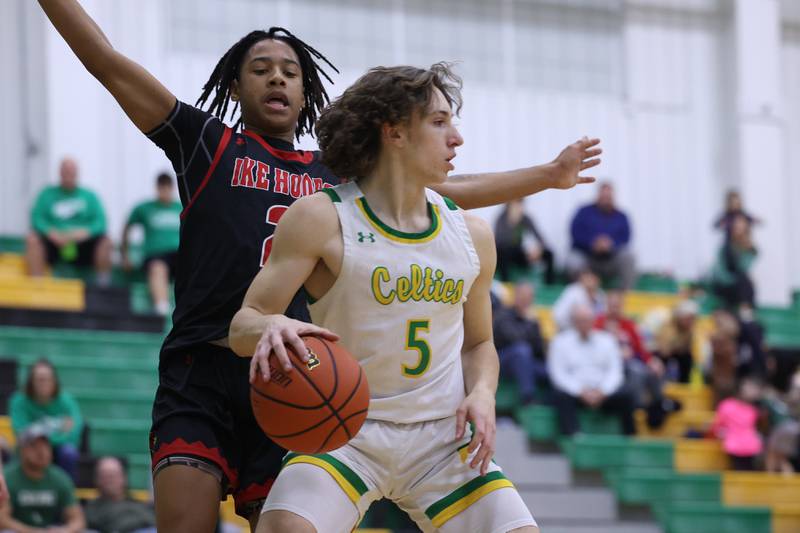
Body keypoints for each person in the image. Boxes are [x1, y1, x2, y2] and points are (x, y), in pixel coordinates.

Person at [39, 1, 600, 530]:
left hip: (296, 372)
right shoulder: (206, 144)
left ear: (307, 88)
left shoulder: (339, 179)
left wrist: (546, 175)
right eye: (260, 69)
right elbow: (108, 63)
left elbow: (444, 188)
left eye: (289, 71)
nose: (277, 78)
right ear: (235, 85)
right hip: (205, 363)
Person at [229, 64, 538, 533]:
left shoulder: (472, 234)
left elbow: (479, 345)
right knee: (283, 529)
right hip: (346, 430)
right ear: (393, 132)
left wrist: (482, 392)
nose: (456, 138)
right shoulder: (321, 218)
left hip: (443, 437)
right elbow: (241, 327)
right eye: (439, 122)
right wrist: (270, 325)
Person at [548, 304, 636, 436]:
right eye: (581, 320)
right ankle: (574, 436)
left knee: (628, 395)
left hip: (603, 393)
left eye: (587, 320)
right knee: (561, 396)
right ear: (573, 321)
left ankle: (630, 437)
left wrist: (603, 391)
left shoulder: (607, 340)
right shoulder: (560, 342)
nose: (584, 324)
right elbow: (558, 374)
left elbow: (615, 372)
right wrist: (580, 391)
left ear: (593, 321)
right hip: (575, 393)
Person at [24, 157, 112, 283]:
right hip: (54, 244)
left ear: (77, 173)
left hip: (82, 245)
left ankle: (103, 286)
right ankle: (38, 285)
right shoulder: (46, 194)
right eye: (65, 171)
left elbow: (101, 222)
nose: (68, 175)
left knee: (105, 242)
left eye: (71, 172)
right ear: (60, 173)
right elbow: (36, 218)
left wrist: (82, 233)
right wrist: (51, 233)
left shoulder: (90, 196)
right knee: (32, 240)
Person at [595, 290, 675, 428]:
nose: (615, 309)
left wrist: (651, 361)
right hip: (606, 366)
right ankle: (637, 406)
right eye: (612, 305)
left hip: (631, 361)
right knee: (636, 371)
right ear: (607, 305)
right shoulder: (598, 323)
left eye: (617, 305)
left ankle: (658, 404)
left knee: (654, 370)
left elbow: (640, 349)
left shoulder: (628, 324)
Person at [0, 426, 86, 533]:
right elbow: (2, 520)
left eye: (45, 445)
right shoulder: (7, 476)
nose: (41, 451)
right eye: (34, 446)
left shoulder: (60, 477)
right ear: (22, 450)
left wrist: (64, 530)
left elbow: (78, 520)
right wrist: (33, 531)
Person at [9, 360, 83, 483]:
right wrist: (56, 429)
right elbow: (21, 434)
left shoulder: (67, 401)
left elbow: (73, 434)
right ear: (31, 382)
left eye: (47, 379)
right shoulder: (18, 401)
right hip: (29, 448)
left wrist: (41, 436)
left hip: (58, 449)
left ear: (55, 381)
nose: (44, 383)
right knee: (19, 452)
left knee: (69, 453)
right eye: (39, 379)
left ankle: (67, 495)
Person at [121, 173, 182, 315]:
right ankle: (162, 308)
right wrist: (126, 255)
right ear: (157, 188)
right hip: (156, 254)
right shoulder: (145, 208)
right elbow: (127, 227)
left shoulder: (181, 207)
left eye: (167, 187)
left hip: (179, 254)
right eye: (162, 187)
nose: (165, 191)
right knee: (157, 269)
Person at [565, 182, 636, 290]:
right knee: (573, 261)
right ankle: (581, 294)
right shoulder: (584, 212)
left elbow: (625, 238)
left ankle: (624, 294)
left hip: (611, 259)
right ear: (598, 196)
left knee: (629, 257)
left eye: (608, 197)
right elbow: (575, 233)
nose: (606, 199)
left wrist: (611, 245)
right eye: (603, 196)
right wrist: (592, 243)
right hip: (587, 257)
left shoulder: (622, 216)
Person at [492, 283, 548, 405]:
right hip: (501, 361)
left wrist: (533, 324)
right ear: (516, 296)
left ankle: (550, 401)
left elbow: (538, 349)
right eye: (523, 296)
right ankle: (528, 396)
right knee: (522, 350)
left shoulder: (532, 320)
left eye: (529, 297)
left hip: (525, 363)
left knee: (550, 370)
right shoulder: (503, 314)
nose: (526, 300)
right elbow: (514, 338)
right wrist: (529, 322)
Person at [84, 456, 156, 533]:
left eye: (113, 476)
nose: (110, 481)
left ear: (124, 478)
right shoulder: (92, 509)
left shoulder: (136, 502)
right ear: (97, 480)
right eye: (105, 476)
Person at [709, 376, 764, 471]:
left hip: (750, 446)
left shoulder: (754, 410)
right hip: (734, 445)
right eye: (750, 388)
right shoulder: (727, 405)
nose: (753, 391)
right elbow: (718, 425)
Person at [494, 199, 554, 284]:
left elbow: (539, 236)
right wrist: (512, 223)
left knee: (549, 253)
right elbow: (499, 241)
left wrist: (538, 249)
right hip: (504, 253)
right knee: (503, 252)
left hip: (519, 252)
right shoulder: (501, 218)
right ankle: (506, 284)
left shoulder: (525, 218)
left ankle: (549, 285)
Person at [710, 213, 757, 311]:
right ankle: (744, 310)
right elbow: (719, 270)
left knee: (745, 281)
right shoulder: (725, 247)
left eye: (741, 226)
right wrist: (731, 281)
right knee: (743, 282)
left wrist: (745, 250)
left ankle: (745, 310)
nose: (738, 228)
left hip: (738, 286)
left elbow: (743, 267)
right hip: (723, 284)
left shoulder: (751, 250)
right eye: (736, 225)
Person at [654, 300, 699, 384]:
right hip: (662, 354)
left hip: (676, 354)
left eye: (692, 319)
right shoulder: (668, 328)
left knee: (687, 358)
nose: (691, 322)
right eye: (688, 319)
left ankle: (684, 383)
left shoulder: (689, 331)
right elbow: (664, 351)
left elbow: (687, 349)